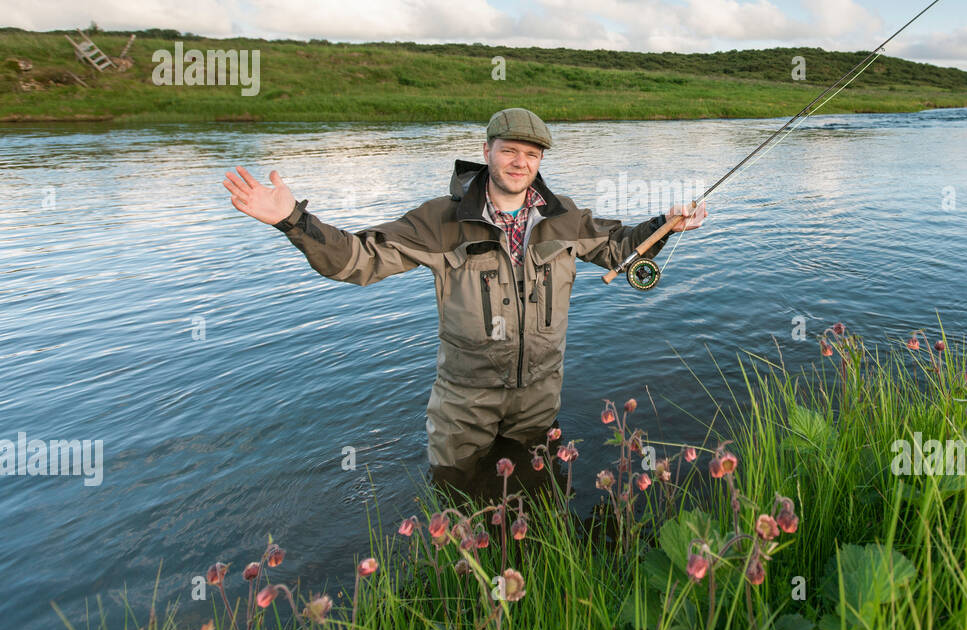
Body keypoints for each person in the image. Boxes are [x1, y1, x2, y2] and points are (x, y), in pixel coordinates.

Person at [222, 107, 706, 493]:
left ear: (540, 162)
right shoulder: (440, 220)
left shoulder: (566, 220)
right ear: (486, 151)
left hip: (540, 394)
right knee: (456, 496)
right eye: (509, 151)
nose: (520, 162)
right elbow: (357, 260)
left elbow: (620, 248)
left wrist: (666, 224)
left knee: (537, 488)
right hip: (464, 400)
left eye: (531, 155)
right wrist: (292, 220)